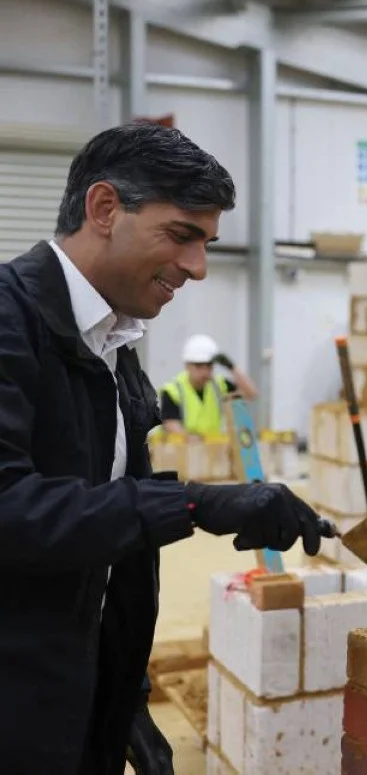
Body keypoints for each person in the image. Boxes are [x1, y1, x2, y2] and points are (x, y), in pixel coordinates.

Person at [0, 122, 334, 774]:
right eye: (182, 236)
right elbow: (10, 506)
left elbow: (109, 541)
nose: (198, 267)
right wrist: (193, 504)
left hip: (79, 690)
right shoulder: (10, 322)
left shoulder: (113, 347)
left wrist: (125, 694)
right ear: (104, 209)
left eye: (206, 244)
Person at [159, 333, 259, 436]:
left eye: (209, 366)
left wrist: (231, 367)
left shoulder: (219, 385)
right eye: (199, 365)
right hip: (183, 449)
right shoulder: (173, 390)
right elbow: (172, 426)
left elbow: (251, 394)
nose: (205, 371)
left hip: (211, 448)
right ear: (187, 365)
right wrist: (197, 443)